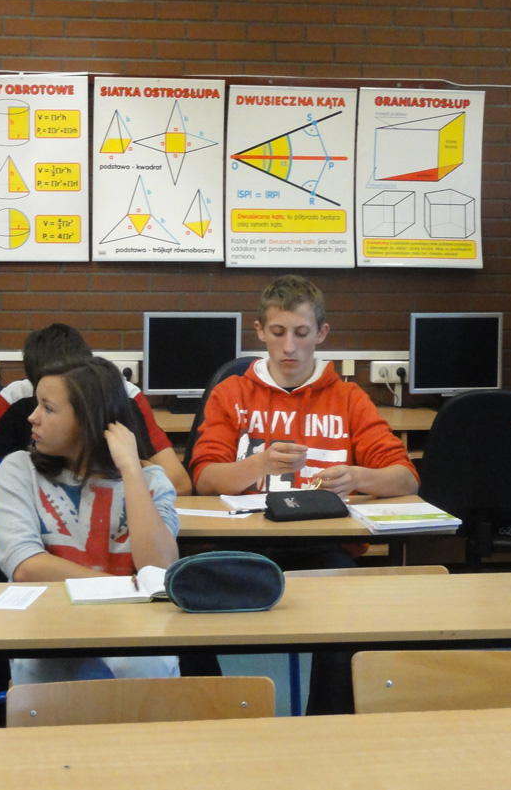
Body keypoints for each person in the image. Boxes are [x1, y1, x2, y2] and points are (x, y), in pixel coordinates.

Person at [189, 274, 419, 714]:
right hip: (244, 546)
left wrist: (357, 476)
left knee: (347, 612)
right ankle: (215, 720)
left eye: (301, 333)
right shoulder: (231, 392)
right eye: (278, 333)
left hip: (323, 548)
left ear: (321, 333)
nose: (289, 347)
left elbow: (405, 477)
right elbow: (204, 477)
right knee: (185, 602)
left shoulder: (348, 397)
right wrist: (259, 464)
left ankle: (328, 725)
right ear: (260, 331)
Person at [0, 356, 181, 684]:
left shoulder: (151, 481)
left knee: (140, 665)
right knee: (46, 667)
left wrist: (131, 470)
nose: (32, 417)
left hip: (133, 624)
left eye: (47, 408)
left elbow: (160, 569)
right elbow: (25, 565)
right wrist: (123, 588)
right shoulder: (19, 469)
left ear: (87, 420)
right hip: (49, 618)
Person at [0, 323, 191, 497]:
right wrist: (53, 485)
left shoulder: (123, 396)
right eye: (42, 398)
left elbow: (178, 482)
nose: (34, 417)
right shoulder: (15, 398)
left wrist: (93, 484)